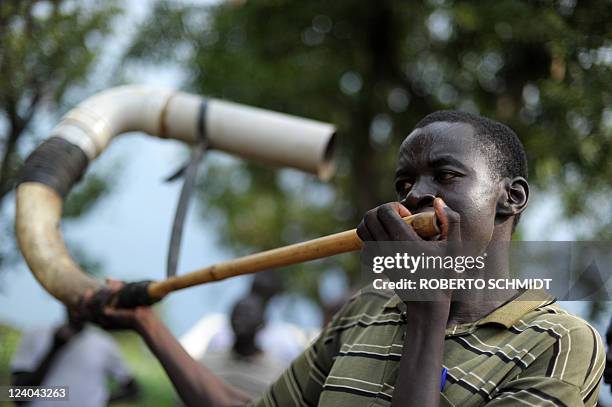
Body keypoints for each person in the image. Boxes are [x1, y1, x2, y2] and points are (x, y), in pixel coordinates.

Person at [82, 110, 605, 406]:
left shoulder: (562, 345)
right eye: (404, 183)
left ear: (510, 199)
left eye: (445, 176)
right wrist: (148, 324)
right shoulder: (366, 311)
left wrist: (428, 314)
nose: (415, 196)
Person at [11, 308, 139, 407]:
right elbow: (18, 396)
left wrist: (97, 401)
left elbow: (133, 389)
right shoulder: (37, 334)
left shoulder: (104, 343)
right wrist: (54, 349)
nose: (79, 309)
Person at [199, 295, 285, 398]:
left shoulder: (277, 374)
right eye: (237, 313)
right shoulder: (207, 364)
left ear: (262, 323)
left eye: (248, 314)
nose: (240, 319)